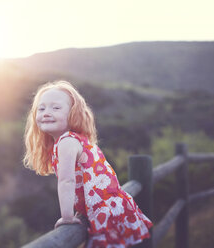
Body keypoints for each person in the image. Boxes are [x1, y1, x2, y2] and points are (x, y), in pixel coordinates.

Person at [23, 80, 153, 247]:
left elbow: (67, 181)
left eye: (56, 108)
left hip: (105, 213)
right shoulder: (72, 140)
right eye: (41, 108)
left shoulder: (67, 142)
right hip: (110, 209)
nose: (47, 112)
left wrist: (67, 217)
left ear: (73, 114)